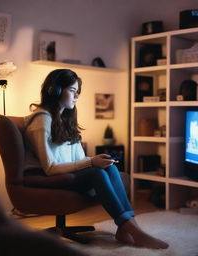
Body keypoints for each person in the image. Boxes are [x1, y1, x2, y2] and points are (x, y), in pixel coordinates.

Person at [23, 69, 169, 249]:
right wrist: (92, 162)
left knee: (110, 167)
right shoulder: (41, 120)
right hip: (47, 177)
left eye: (78, 92)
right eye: (72, 90)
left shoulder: (65, 119)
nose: (76, 96)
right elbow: (50, 168)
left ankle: (128, 228)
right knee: (97, 173)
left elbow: (80, 159)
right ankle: (132, 230)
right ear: (55, 91)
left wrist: (95, 160)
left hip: (64, 173)